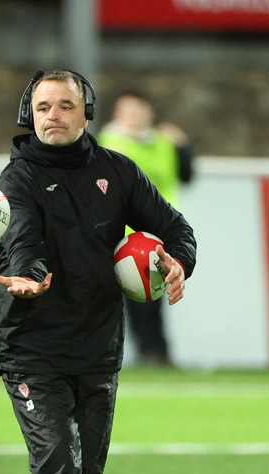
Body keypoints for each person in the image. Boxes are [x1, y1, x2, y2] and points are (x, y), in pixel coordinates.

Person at [0, 70, 197, 474]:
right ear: (27, 113)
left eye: (64, 105)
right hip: (30, 344)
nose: (52, 115)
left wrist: (178, 263)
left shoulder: (118, 171)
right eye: (42, 106)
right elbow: (22, 239)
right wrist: (31, 272)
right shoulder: (17, 179)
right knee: (59, 460)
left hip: (98, 345)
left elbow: (176, 229)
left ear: (87, 113)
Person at [99, 89, 196, 367]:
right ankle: (141, 354)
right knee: (118, 299)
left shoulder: (164, 144)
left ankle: (155, 354)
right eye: (128, 111)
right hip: (120, 233)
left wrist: (184, 146)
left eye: (139, 111)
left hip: (158, 232)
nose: (133, 117)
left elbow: (186, 176)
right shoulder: (108, 143)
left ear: (150, 114)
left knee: (151, 297)